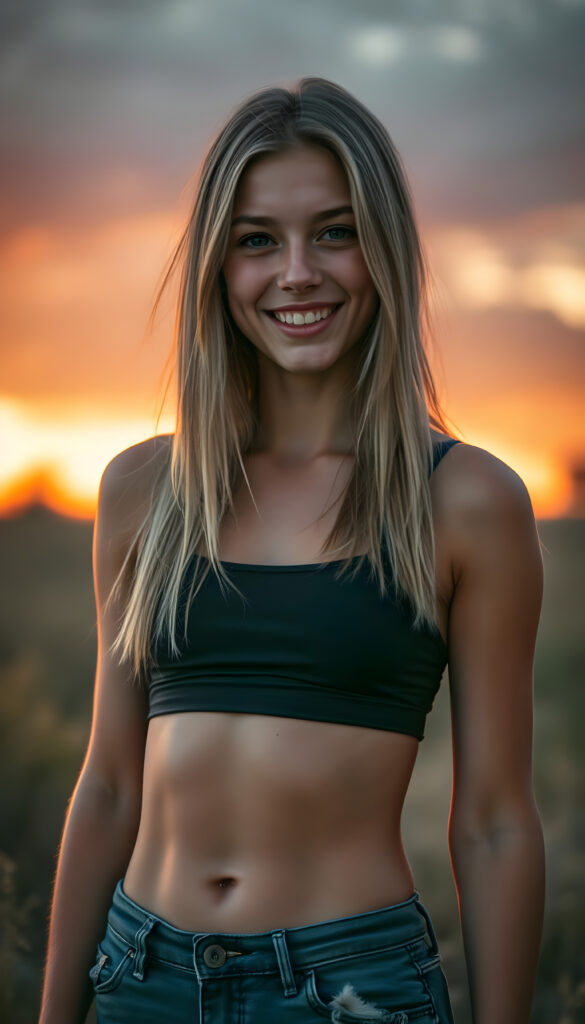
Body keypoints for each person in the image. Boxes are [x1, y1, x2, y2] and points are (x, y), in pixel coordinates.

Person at [39, 78, 545, 1024]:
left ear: (384, 250)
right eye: (257, 240)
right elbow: (108, 783)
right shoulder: (143, 489)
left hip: (346, 990)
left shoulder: (465, 500)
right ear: (217, 266)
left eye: (335, 232)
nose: (297, 272)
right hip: (140, 977)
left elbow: (494, 822)